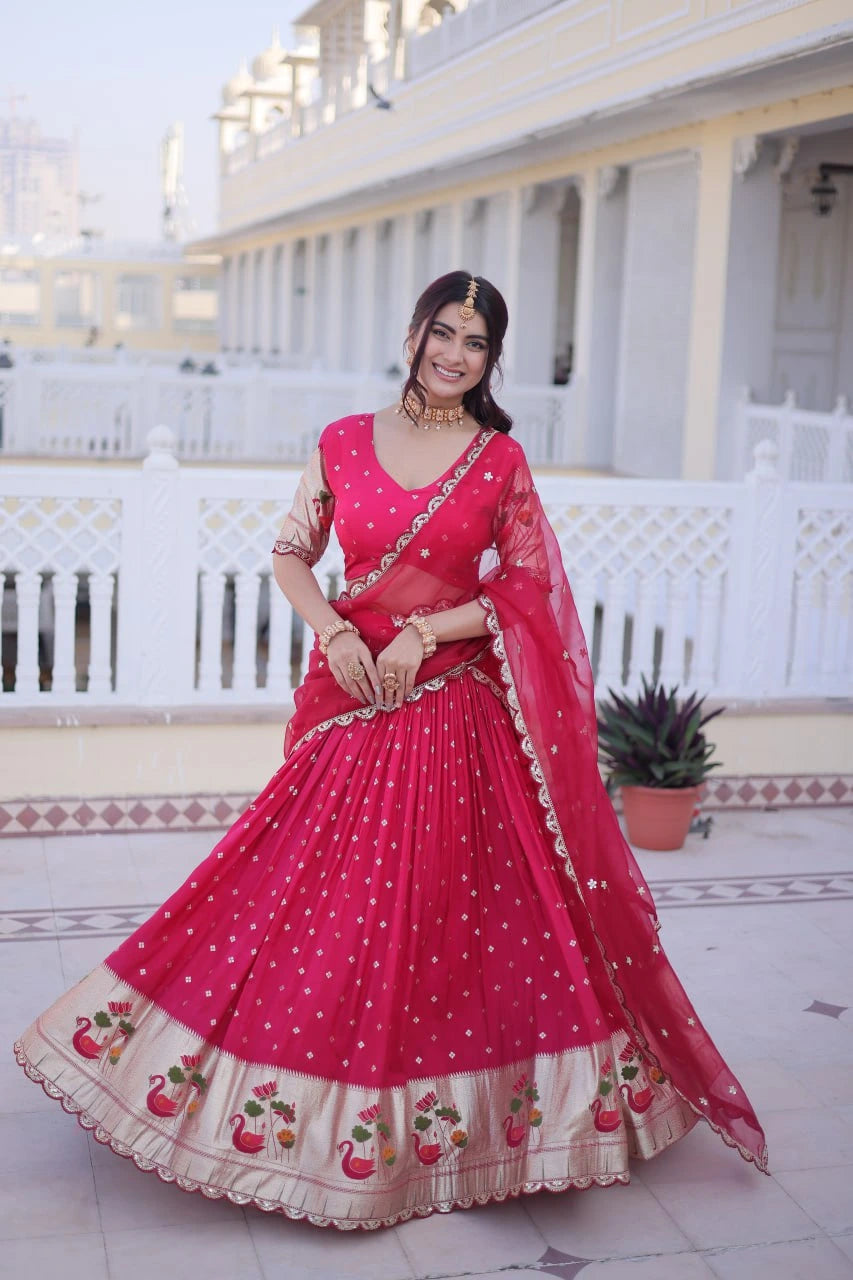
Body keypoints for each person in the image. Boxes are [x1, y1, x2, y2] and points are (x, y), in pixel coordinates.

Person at [15, 271, 767, 1230]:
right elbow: (290, 553)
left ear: (493, 360)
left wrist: (427, 632)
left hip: (455, 714)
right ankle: (302, 1115)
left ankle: (476, 1131)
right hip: (357, 707)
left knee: (465, 923)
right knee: (313, 906)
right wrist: (335, 630)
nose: (454, 355)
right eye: (443, 332)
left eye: (476, 343)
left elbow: (529, 586)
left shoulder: (497, 460)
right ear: (413, 331)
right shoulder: (339, 441)